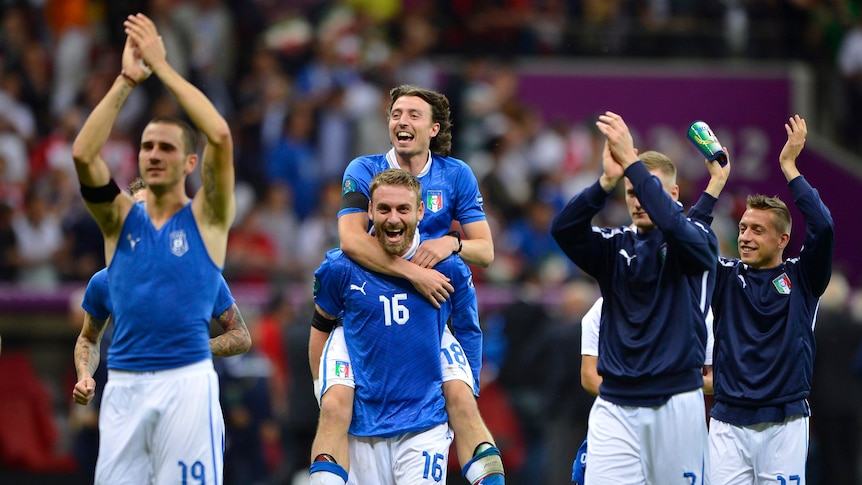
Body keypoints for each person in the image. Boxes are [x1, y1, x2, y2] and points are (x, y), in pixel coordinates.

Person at [69, 13, 236, 485]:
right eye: (147, 147)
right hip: (122, 387)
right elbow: (83, 154)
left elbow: (220, 136)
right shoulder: (119, 220)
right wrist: (126, 79)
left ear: (188, 162)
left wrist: (163, 67)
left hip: (187, 384)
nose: (155, 154)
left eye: (166, 147)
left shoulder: (208, 219)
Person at [309, 84, 504, 485]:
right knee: (334, 407)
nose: (402, 121)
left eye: (414, 114)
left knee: (463, 402)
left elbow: (485, 251)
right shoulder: (363, 170)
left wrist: (449, 243)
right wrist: (415, 271)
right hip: (369, 299)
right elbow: (350, 239)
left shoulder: (456, 175)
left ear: (434, 129)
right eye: (396, 113)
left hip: (430, 312)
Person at [550, 111, 718, 484]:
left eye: (647, 191)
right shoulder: (615, 246)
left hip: (675, 400)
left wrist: (634, 168)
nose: (638, 200)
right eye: (631, 193)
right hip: (614, 405)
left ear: (673, 195)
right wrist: (606, 181)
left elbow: (675, 225)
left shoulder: (699, 241)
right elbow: (563, 230)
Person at [688, 115, 835, 484]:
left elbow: (825, 227)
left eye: (757, 229)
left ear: (783, 240)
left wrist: (790, 167)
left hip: (784, 423)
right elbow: (683, 242)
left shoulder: (803, 278)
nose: (746, 237)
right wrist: (716, 182)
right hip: (726, 422)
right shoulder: (724, 275)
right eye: (741, 229)